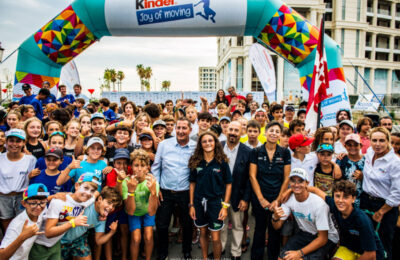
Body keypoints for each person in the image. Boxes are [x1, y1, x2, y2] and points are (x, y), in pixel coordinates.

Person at [152, 117, 196, 260]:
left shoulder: (195, 147)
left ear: (190, 130)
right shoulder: (164, 145)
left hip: (185, 192)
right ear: (175, 129)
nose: (181, 131)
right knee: (162, 224)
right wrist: (156, 188)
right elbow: (156, 167)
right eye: (179, 128)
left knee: (187, 224)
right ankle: (162, 252)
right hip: (165, 191)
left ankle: (187, 251)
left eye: (184, 128)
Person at [271, 168, 339, 259]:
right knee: (282, 258)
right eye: (293, 181)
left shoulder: (319, 204)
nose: (296, 184)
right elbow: (277, 226)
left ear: (307, 183)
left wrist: (299, 253)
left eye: (300, 181)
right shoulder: (288, 200)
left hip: (328, 238)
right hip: (306, 233)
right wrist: (275, 217)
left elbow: (323, 239)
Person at [308, 180, 384, 260]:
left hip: (369, 254)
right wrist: (296, 188)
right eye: (337, 196)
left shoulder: (362, 220)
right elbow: (316, 191)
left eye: (345, 197)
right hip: (349, 248)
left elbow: (371, 255)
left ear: (353, 199)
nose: (340, 200)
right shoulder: (335, 206)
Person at [249, 121, 291, 260]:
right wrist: (261, 199)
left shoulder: (285, 152)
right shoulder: (255, 151)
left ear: (280, 135)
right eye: (271, 130)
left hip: (277, 197)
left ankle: (273, 256)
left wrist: (277, 200)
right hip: (260, 197)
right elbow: (252, 176)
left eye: (277, 131)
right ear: (265, 132)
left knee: (275, 230)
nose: (274, 133)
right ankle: (256, 256)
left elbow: (286, 179)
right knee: (260, 229)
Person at [188, 131, 232, 260]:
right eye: (204, 141)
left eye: (210, 140)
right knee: (203, 232)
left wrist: (225, 206)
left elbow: (229, 184)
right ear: (200, 145)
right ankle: (205, 258)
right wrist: (191, 205)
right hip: (198, 202)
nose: (207, 143)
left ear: (215, 143)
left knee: (216, 237)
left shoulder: (222, 161)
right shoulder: (195, 161)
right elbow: (192, 184)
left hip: (215, 203)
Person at [361, 127, 400, 259]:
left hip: (385, 207)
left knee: (383, 244)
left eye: (382, 140)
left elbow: (397, 193)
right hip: (366, 201)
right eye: (374, 140)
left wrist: (381, 212)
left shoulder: (395, 162)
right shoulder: (370, 152)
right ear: (370, 141)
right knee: (367, 240)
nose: (378, 144)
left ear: (388, 141)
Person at [219, 121, 251, 260]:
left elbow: (251, 178)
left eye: (236, 130)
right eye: (230, 129)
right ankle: (218, 250)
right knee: (221, 225)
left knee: (238, 226)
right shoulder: (217, 147)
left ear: (241, 133)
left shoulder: (248, 152)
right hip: (219, 195)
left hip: (239, 196)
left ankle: (235, 253)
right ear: (226, 130)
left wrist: (246, 198)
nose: (232, 132)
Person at [120, 149, 159, 260]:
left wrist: (153, 193)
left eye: (143, 165)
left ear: (148, 167)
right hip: (134, 212)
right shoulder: (126, 182)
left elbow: (152, 211)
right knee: (136, 238)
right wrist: (131, 192)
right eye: (136, 165)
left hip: (147, 211)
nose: (140, 169)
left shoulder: (152, 182)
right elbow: (130, 211)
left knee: (148, 236)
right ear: (131, 167)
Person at [0, 129, 37, 231]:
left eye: (18, 141)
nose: (14, 144)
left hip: (22, 196)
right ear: (6, 142)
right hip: (3, 197)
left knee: (21, 224)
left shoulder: (31, 159)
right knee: (6, 225)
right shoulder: (1, 158)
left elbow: (33, 179)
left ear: (24, 143)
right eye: (11, 141)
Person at [0, 184, 49, 260]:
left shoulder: (42, 210)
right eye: (33, 203)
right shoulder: (16, 225)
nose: (38, 207)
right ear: (24, 203)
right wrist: (22, 237)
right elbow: (2, 256)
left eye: (42, 203)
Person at [336, 133, 364, 207]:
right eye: (349, 145)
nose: (352, 147)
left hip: (363, 200)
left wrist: (363, 176)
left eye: (355, 145)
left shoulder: (367, 161)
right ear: (345, 146)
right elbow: (336, 179)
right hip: (345, 199)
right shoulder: (341, 160)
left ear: (361, 146)